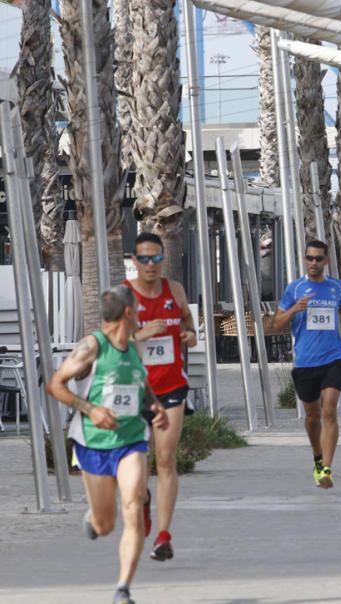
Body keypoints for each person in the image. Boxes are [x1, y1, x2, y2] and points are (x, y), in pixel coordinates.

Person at [47, 285, 169, 604]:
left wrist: (154, 407)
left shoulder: (134, 347)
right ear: (128, 313)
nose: (141, 315)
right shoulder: (92, 346)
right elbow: (55, 385)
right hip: (94, 442)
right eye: (138, 311)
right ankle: (94, 518)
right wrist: (92, 409)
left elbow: (141, 384)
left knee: (133, 505)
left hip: (131, 441)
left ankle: (122, 589)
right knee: (106, 524)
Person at [125, 232, 197, 562]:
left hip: (171, 387)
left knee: (166, 461)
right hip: (135, 391)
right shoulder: (124, 296)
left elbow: (187, 320)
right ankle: (142, 502)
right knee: (135, 472)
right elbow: (110, 340)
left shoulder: (175, 290)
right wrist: (141, 334)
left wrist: (190, 334)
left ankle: (163, 536)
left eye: (156, 258)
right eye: (145, 259)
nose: (151, 265)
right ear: (135, 261)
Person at [273, 240, 341, 489]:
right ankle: (317, 457)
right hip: (305, 362)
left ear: (326, 261)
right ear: (304, 259)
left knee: (329, 410)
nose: (314, 263)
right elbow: (276, 324)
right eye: (310, 258)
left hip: (333, 357)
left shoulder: (336, 287)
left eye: (318, 259)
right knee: (312, 417)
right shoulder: (295, 288)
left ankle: (326, 469)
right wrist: (294, 310)